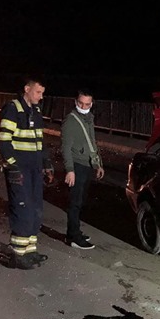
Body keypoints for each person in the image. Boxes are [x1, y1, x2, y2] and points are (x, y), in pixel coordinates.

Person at [0, 76, 54, 269]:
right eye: (38, 92)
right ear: (27, 89)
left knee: (36, 209)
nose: (41, 97)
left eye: (43, 93)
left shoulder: (35, 111)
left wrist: (47, 164)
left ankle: (30, 251)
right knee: (23, 210)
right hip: (19, 170)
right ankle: (17, 255)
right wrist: (13, 166)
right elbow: (4, 140)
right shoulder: (13, 109)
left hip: (35, 170)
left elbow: (40, 142)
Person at [61, 88, 105, 249]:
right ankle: (73, 237)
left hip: (87, 165)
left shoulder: (89, 118)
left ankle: (74, 232)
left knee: (80, 202)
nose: (84, 106)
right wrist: (69, 169)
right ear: (75, 102)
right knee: (75, 203)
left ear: (91, 104)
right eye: (81, 103)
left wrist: (98, 164)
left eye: (87, 104)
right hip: (77, 166)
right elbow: (66, 148)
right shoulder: (71, 121)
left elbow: (92, 142)